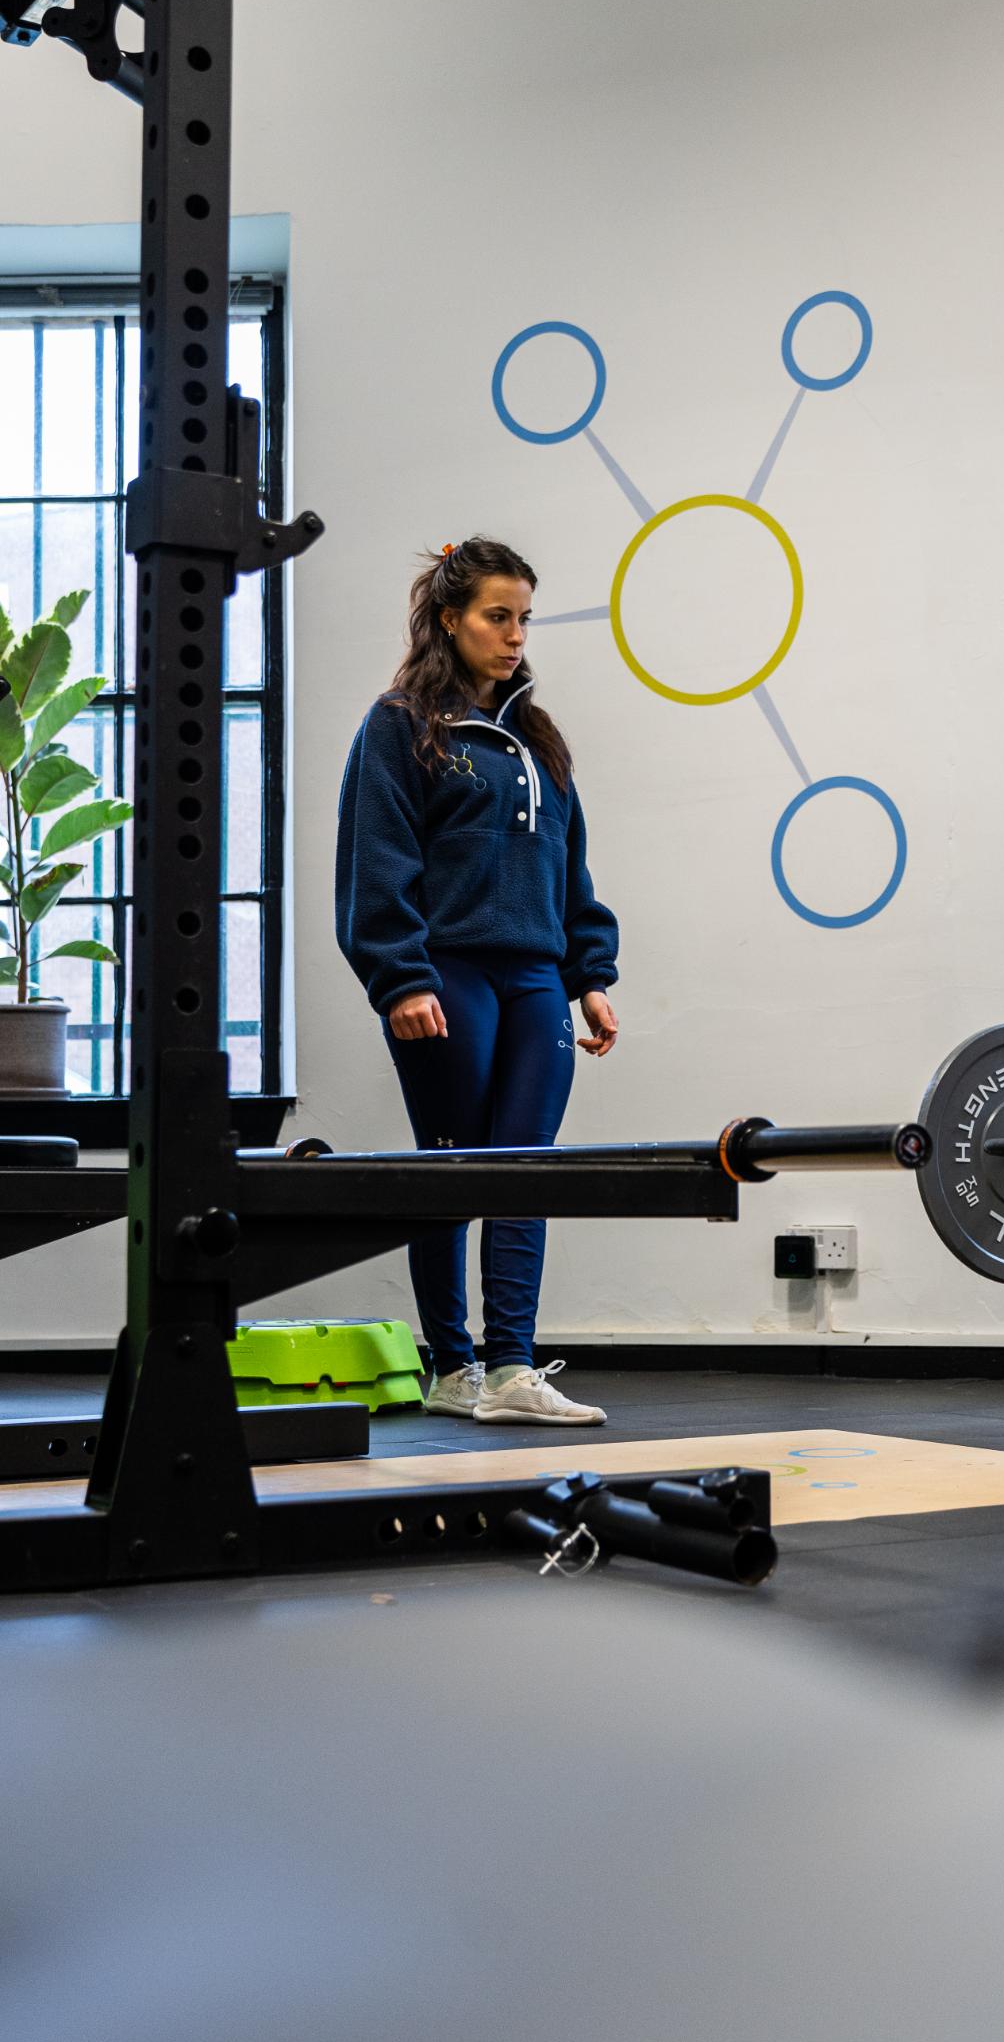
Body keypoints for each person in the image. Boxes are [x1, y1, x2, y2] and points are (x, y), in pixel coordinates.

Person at [335, 536, 620, 1427]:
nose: (515, 636)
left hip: (535, 978)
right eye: (499, 617)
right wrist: (400, 978)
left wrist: (589, 974)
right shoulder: (399, 726)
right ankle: (453, 1367)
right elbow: (376, 861)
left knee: (525, 1168)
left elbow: (569, 867)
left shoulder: (538, 740)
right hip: (446, 975)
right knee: (450, 1166)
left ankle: (512, 1369)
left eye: (524, 618)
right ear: (450, 618)